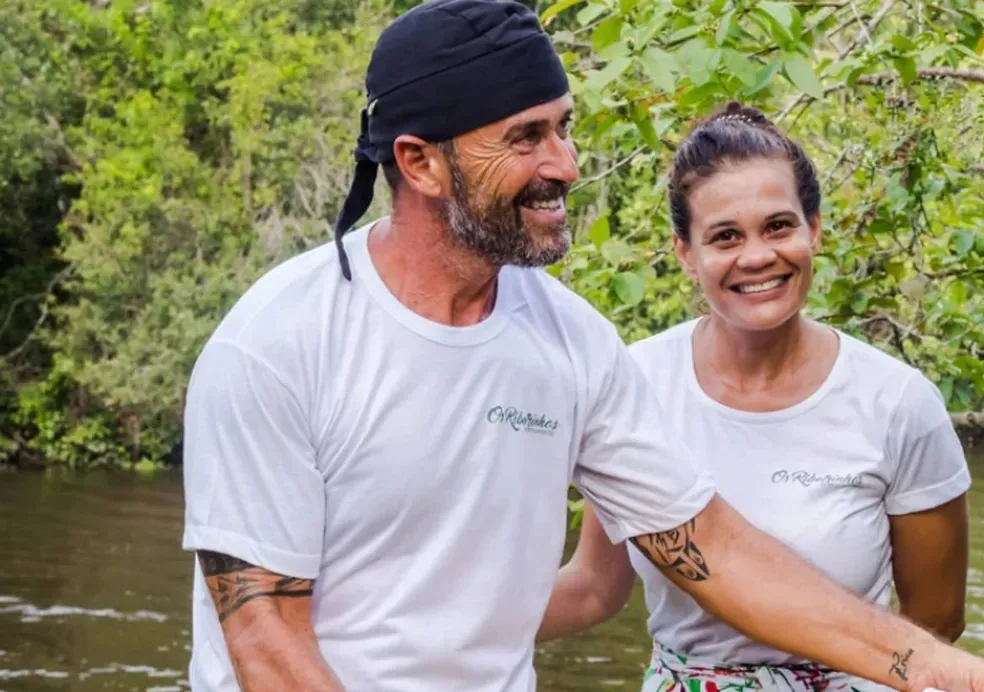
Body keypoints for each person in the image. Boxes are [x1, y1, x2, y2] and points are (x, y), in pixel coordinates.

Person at [179, 1, 984, 689]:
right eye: (525, 137)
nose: (564, 164)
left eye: (564, 128)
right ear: (419, 162)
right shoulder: (280, 341)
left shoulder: (573, 342)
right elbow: (267, 641)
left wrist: (937, 667)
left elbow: (710, 547)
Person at [536, 101, 972, 691]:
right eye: (724, 236)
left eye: (778, 226)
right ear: (686, 254)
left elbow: (935, 624)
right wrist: (423, 615)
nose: (757, 256)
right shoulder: (635, 381)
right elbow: (594, 586)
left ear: (813, 229)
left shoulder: (898, 404)